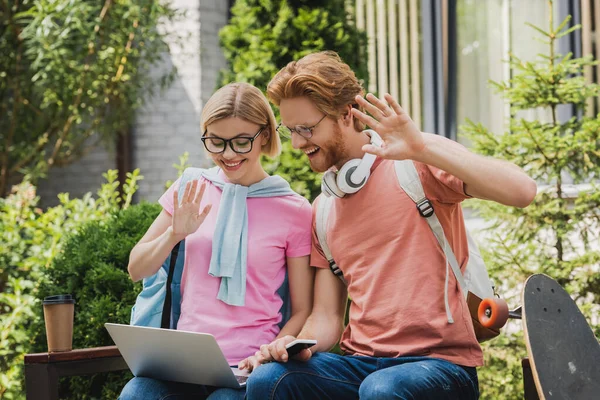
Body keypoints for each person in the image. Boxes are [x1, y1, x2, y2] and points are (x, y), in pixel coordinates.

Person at [243, 51, 537, 400]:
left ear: (346, 114)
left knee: (382, 390)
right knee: (269, 380)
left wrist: (424, 148)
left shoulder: (415, 163)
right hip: (362, 366)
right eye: (290, 130)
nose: (297, 143)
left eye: (306, 129)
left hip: (441, 365)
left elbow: (522, 191)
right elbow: (326, 317)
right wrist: (295, 345)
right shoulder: (323, 209)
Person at [119, 82, 314, 400]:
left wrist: (269, 353)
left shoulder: (294, 209)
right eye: (216, 142)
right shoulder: (191, 186)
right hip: (181, 362)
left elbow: (303, 309)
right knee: (136, 396)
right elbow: (136, 268)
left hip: (249, 365)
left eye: (241, 142)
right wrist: (174, 235)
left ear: (264, 135)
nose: (227, 155)